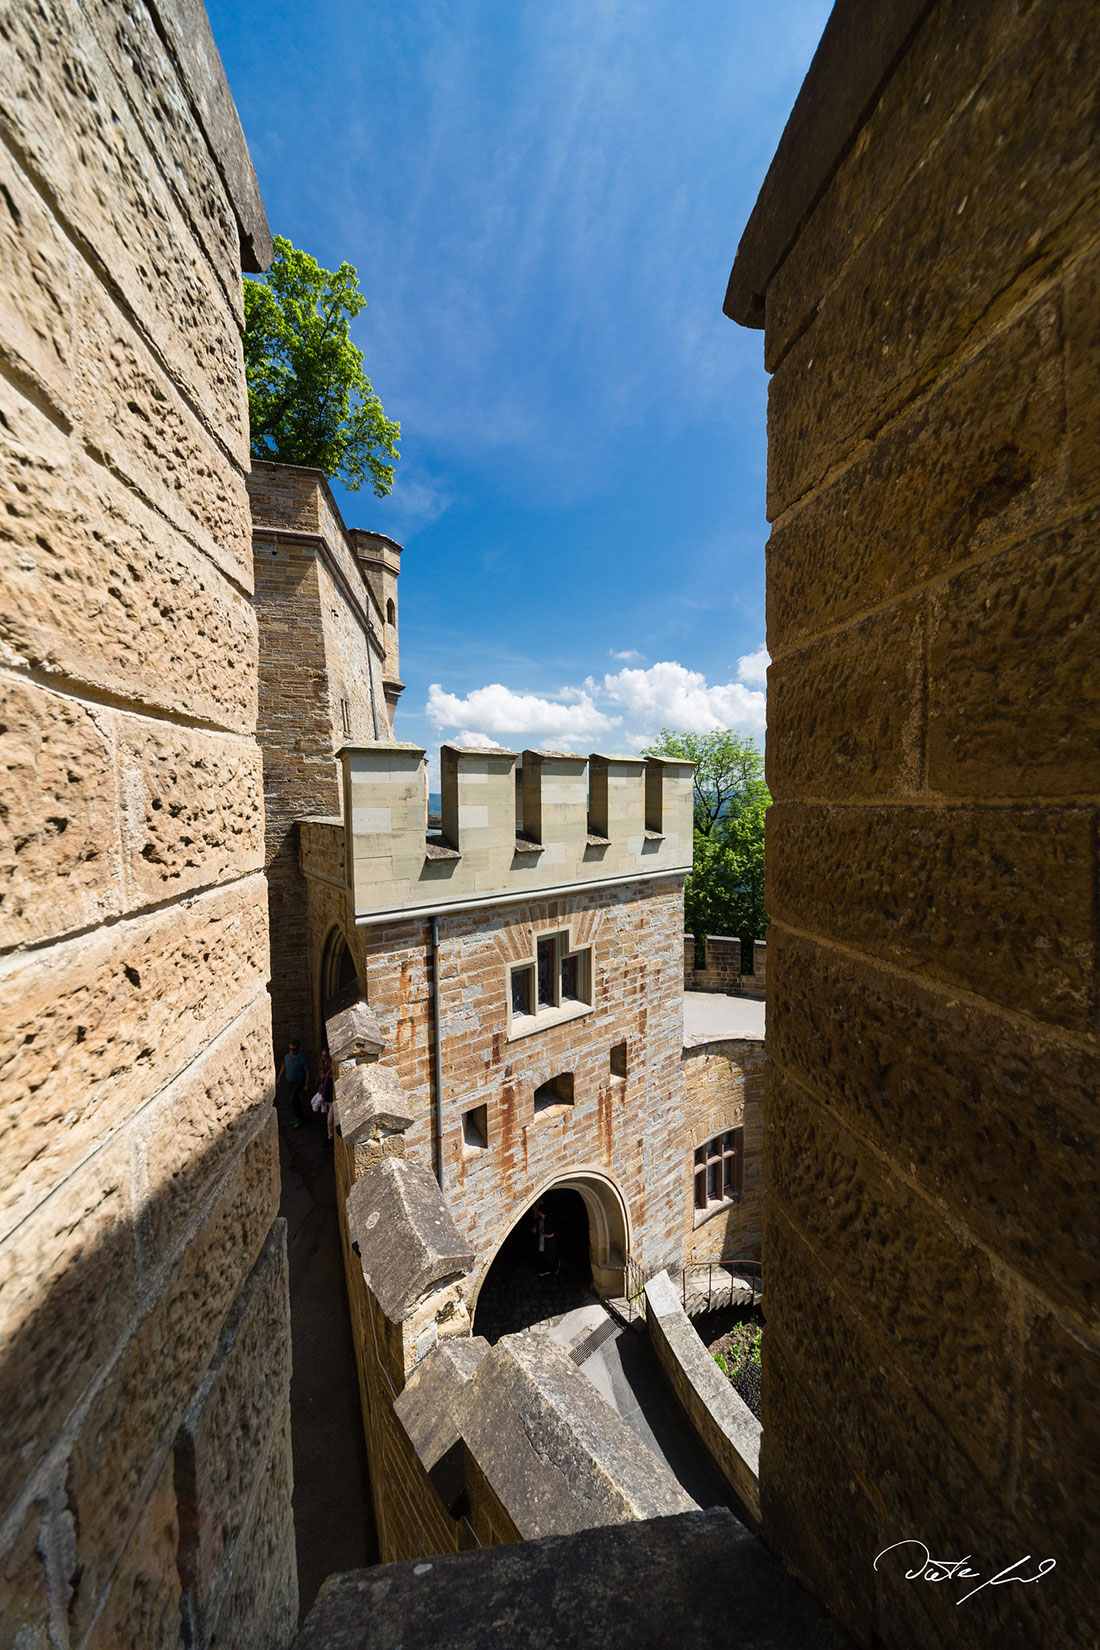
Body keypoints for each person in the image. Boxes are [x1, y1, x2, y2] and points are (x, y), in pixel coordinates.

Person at [276, 1039, 311, 1130]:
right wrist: (279, 1078)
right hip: (290, 1081)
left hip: (299, 1081)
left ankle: (300, 1119)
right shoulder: (287, 1056)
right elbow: (283, 1067)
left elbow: (307, 1071)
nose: (292, 1051)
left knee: (293, 1100)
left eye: (294, 1049)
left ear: (298, 1049)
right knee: (295, 1101)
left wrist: (306, 1084)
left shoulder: (302, 1057)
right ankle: (298, 1117)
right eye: (290, 1049)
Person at [531, 1205, 558, 1278]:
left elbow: (551, 1234)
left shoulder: (550, 1220)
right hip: (541, 1242)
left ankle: (553, 1270)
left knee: (550, 1257)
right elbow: (536, 1223)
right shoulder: (540, 1219)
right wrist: (535, 1227)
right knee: (543, 1255)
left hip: (548, 1243)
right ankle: (545, 1269)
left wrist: (542, 1235)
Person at [317, 1048, 335, 1141]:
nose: (323, 1058)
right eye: (322, 1055)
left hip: (332, 1099)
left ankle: (330, 1137)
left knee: (330, 1120)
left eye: (325, 1056)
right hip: (327, 1097)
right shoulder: (324, 1065)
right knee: (328, 1116)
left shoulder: (331, 1068)